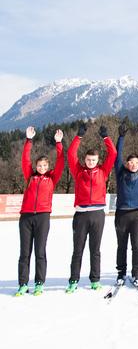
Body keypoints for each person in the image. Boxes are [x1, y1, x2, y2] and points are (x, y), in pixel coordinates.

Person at [66, 123, 117, 293]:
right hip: (81, 215)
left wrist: (106, 137)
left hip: (97, 215)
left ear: (97, 161)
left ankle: (95, 279)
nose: (90, 162)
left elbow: (113, 153)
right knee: (77, 250)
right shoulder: (78, 171)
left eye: (93, 160)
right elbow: (71, 153)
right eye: (88, 160)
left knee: (95, 250)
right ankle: (73, 280)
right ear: (85, 160)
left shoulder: (103, 171)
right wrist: (78, 136)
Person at [16, 127, 65, 296]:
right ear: (36, 166)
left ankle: (39, 283)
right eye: (39, 165)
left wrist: (59, 143)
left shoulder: (52, 178)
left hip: (43, 217)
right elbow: (25, 159)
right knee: (24, 253)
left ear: (48, 166)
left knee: (40, 252)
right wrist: (28, 141)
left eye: (44, 165)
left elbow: (61, 162)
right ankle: (23, 284)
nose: (42, 167)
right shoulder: (30, 176)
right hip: (26, 217)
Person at [114, 121, 138, 285]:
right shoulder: (121, 173)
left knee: (136, 246)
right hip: (121, 214)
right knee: (121, 246)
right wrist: (121, 137)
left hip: (137, 214)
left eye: (136, 162)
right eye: (131, 162)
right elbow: (117, 156)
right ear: (127, 164)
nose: (133, 165)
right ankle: (121, 273)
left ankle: (137, 274)